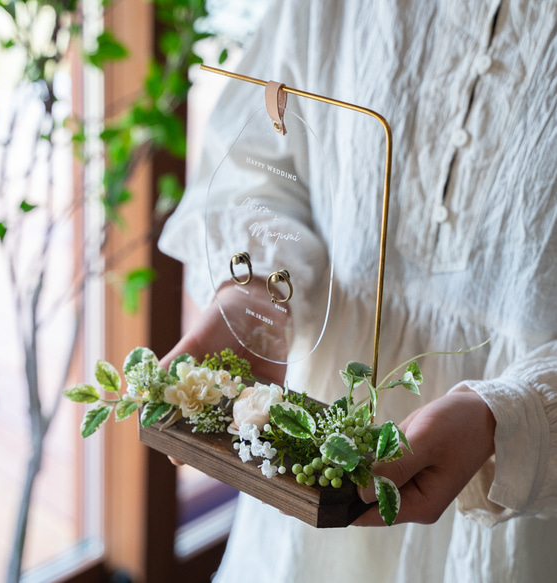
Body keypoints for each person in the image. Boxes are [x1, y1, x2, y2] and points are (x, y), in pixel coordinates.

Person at [158, 1, 557, 581]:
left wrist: (512, 420)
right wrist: (258, 296)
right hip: (313, 474)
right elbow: (256, 164)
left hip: (519, 503)